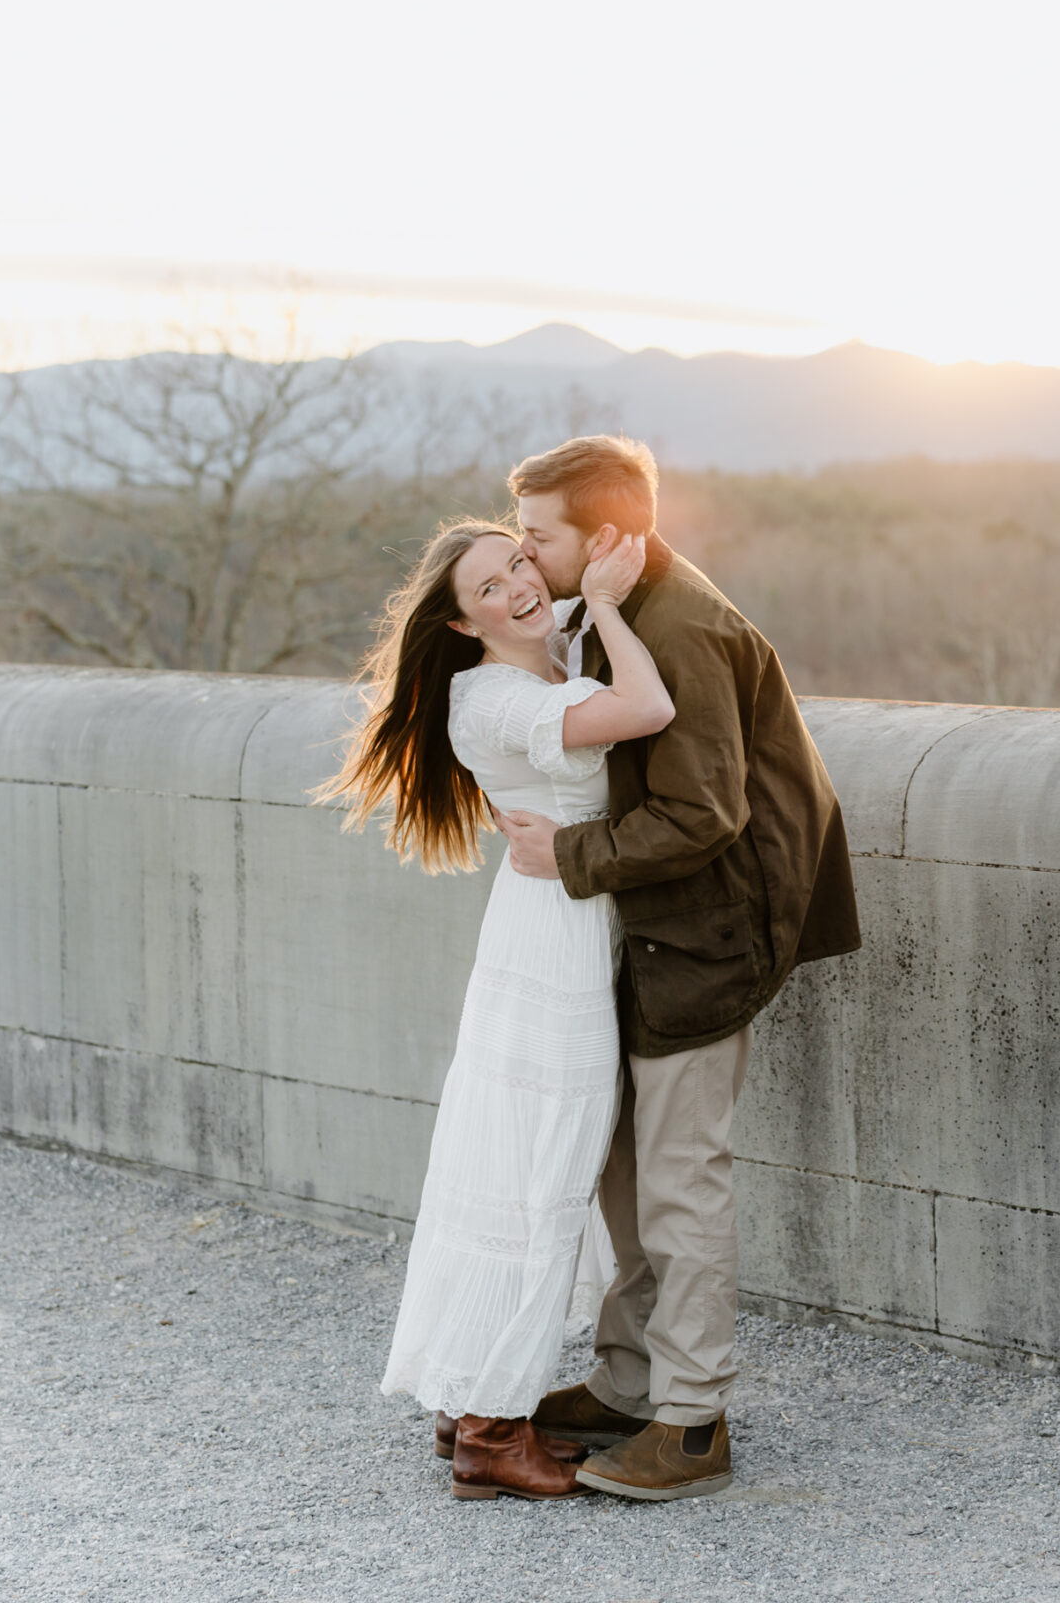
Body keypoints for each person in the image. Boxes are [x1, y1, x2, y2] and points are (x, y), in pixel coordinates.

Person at [498, 434, 861, 1502]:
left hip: (710, 929)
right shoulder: (620, 612)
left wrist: (564, 856)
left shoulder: (686, 628)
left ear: (607, 536)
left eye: (537, 536)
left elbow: (702, 815)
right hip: (647, 924)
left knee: (680, 1178)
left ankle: (692, 1424)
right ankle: (626, 1384)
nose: (523, 556)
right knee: (619, 1165)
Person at [328, 513, 675, 1502]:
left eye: (519, 562)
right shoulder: (488, 701)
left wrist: (592, 576)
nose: (519, 586)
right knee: (538, 1168)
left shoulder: (541, 649)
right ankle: (489, 1432)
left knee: (520, 1161)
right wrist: (601, 602)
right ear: (464, 622)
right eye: (489, 586)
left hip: (560, 915)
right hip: (550, 940)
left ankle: (467, 1399)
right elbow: (644, 707)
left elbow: (580, 588)